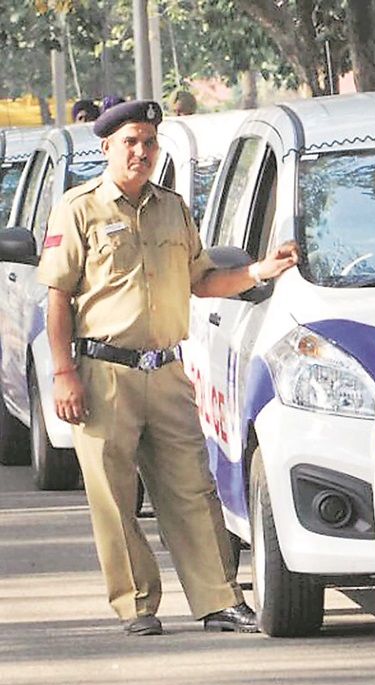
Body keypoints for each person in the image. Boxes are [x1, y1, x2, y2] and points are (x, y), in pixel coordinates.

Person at [37, 100, 299, 636]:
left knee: (193, 489)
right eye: (130, 142)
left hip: (167, 372)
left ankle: (218, 600)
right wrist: (63, 373)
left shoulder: (174, 208)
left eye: (149, 142)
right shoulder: (78, 208)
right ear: (106, 147)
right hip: (103, 374)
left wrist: (258, 270)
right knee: (114, 497)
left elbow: (202, 280)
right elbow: (58, 297)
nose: (141, 152)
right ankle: (137, 604)